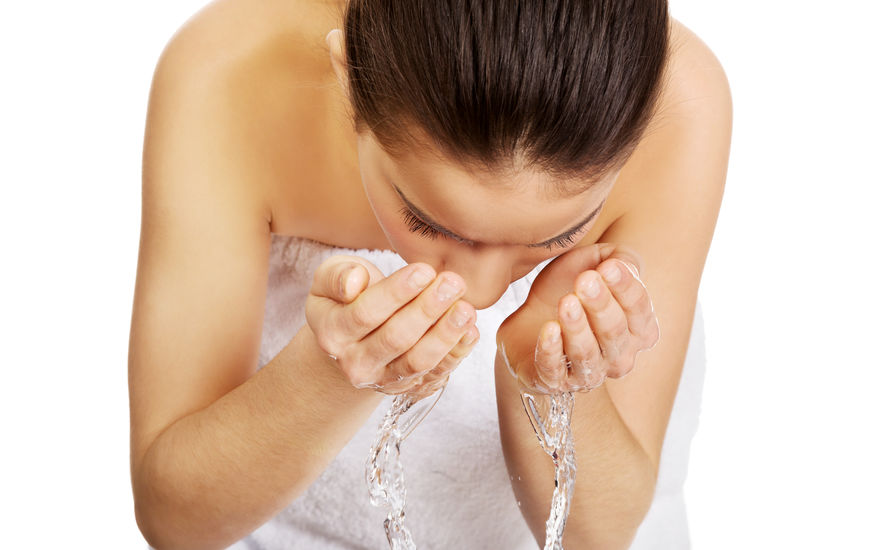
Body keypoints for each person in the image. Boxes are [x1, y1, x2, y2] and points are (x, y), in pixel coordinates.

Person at [129, 0, 731, 548]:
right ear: (347, 79)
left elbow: (603, 534)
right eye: (426, 220)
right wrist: (331, 373)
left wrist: (551, 383)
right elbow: (174, 521)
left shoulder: (680, 105)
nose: (482, 291)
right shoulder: (231, 74)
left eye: (554, 238)